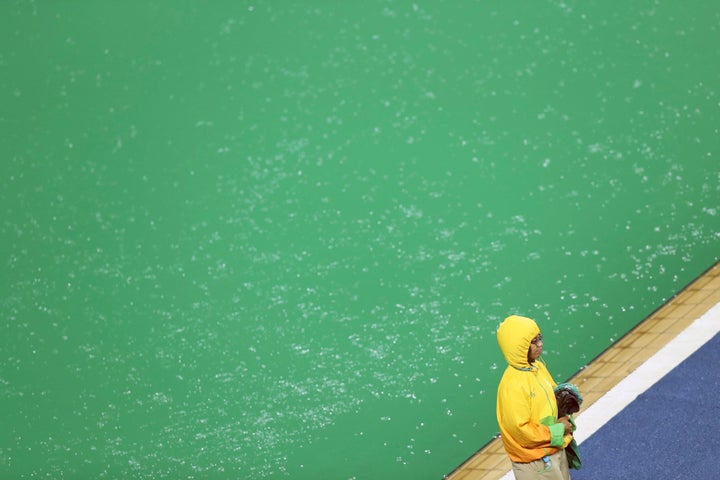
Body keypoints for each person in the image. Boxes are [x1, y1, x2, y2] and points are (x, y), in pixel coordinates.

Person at [496, 315, 575, 480]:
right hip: (535, 462)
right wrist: (559, 430)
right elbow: (521, 431)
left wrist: (565, 412)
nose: (540, 344)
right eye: (533, 341)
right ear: (518, 346)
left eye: (539, 338)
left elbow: (554, 398)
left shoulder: (538, 367)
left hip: (552, 449)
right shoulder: (513, 385)